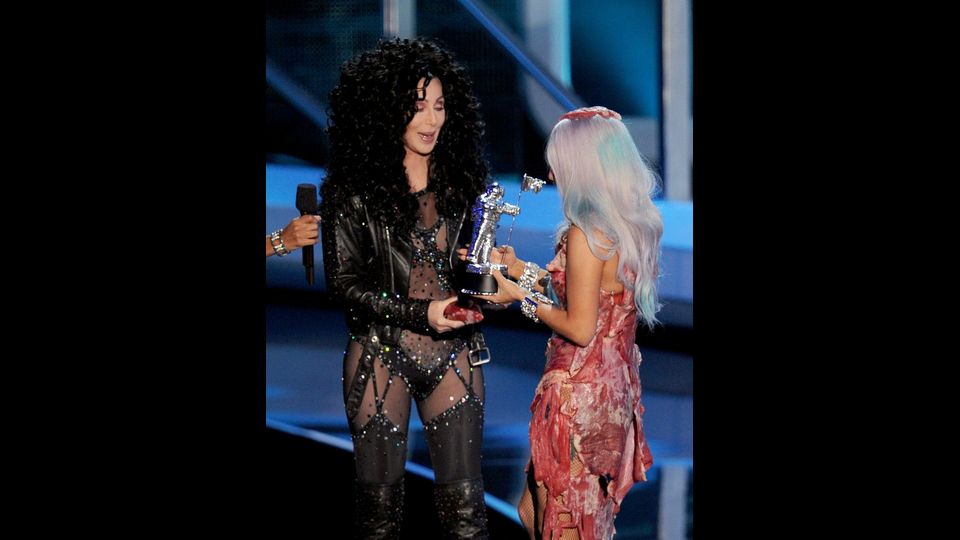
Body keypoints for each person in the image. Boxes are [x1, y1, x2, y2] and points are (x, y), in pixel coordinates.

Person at [319, 37, 492, 538]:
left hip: (455, 354)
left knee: (467, 519)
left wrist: (488, 284)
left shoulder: (463, 182)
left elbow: (471, 274)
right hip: (379, 355)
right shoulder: (350, 190)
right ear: (386, 111)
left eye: (440, 107)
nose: (431, 120)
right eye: (418, 108)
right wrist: (422, 315)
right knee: (379, 520)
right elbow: (344, 285)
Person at [468, 106, 662, 539]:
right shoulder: (621, 226)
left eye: (558, 162)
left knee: (565, 523)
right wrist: (521, 269)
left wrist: (520, 299)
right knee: (543, 514)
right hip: (612, 394)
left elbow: (579, 326)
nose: (552, 174)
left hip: (577, 400)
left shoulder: (585, 232)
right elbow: (589, 292)